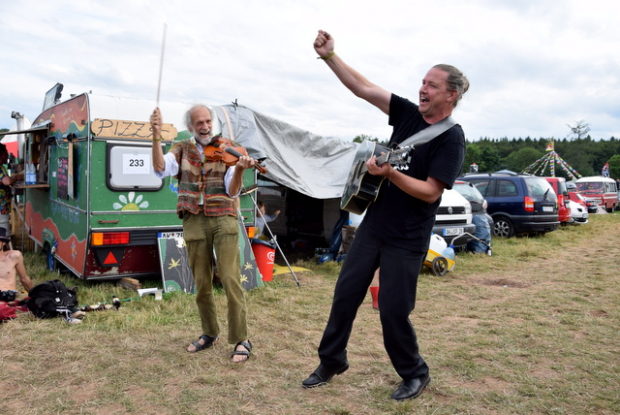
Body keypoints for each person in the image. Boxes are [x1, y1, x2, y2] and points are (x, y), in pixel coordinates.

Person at [302, 30, 468, 401]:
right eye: (422, 82)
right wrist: (330, 56)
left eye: (432, 85)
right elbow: (363, 88)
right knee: (345, 294)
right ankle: (332, 361)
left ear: (451, 94)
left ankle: (414, 373)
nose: (422, 89)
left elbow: (430, 191)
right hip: (375, 225)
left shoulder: (451, 138)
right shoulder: (408, 114)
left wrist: (391, 173)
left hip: (408, 236)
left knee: (393, 310)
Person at [150, 105, 258, 363]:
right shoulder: (181, 148)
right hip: (193, 218)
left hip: (224, 217)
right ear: (191, 127)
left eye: (208, 121)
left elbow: (233, 192)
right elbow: (159, 168)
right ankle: (209, 332)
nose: (205, 126)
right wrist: (155, 136)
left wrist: (241, 169)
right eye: (199, 123)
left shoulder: (229, 148)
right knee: (201, 281)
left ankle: (242, 338)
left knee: (231, 279)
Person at [0, 228, 33, 302]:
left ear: (3, 243)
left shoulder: (13, 256)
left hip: (8, 297)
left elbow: (24, 279)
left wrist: (36, 294)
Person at [0, 143, 21, 238]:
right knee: (3, 232)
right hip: (1, 207)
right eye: (5, 153)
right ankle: (3, 251)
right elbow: (7, 181)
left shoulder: (2, 167)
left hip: (3, 206)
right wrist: (16, 177)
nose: (7, 155)